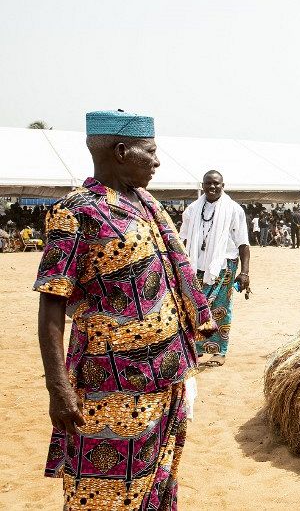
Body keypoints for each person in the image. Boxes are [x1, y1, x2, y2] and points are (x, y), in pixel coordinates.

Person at [35, 110, 215, 510]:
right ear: (121, 150)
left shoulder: (147, 204)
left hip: (167, 374)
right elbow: (51, 302)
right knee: (101, 491)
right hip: (110, 385)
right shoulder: (76, 212)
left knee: (157, 479)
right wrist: (58, 386)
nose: (156, 160)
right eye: (149, 151)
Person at [180, 170, 250, 365]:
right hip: (196, 266)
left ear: (223, 185)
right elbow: (182, 239)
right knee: (197, 307)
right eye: (208, 183)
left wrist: (244, 273)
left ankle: (219, 351)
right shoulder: (192, 210)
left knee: (220, 308)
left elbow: (243, 243)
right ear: (202, 185)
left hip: (225, 266)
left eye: (216, 183)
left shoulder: (234, 209)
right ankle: (199, 348)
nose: (212, 187)